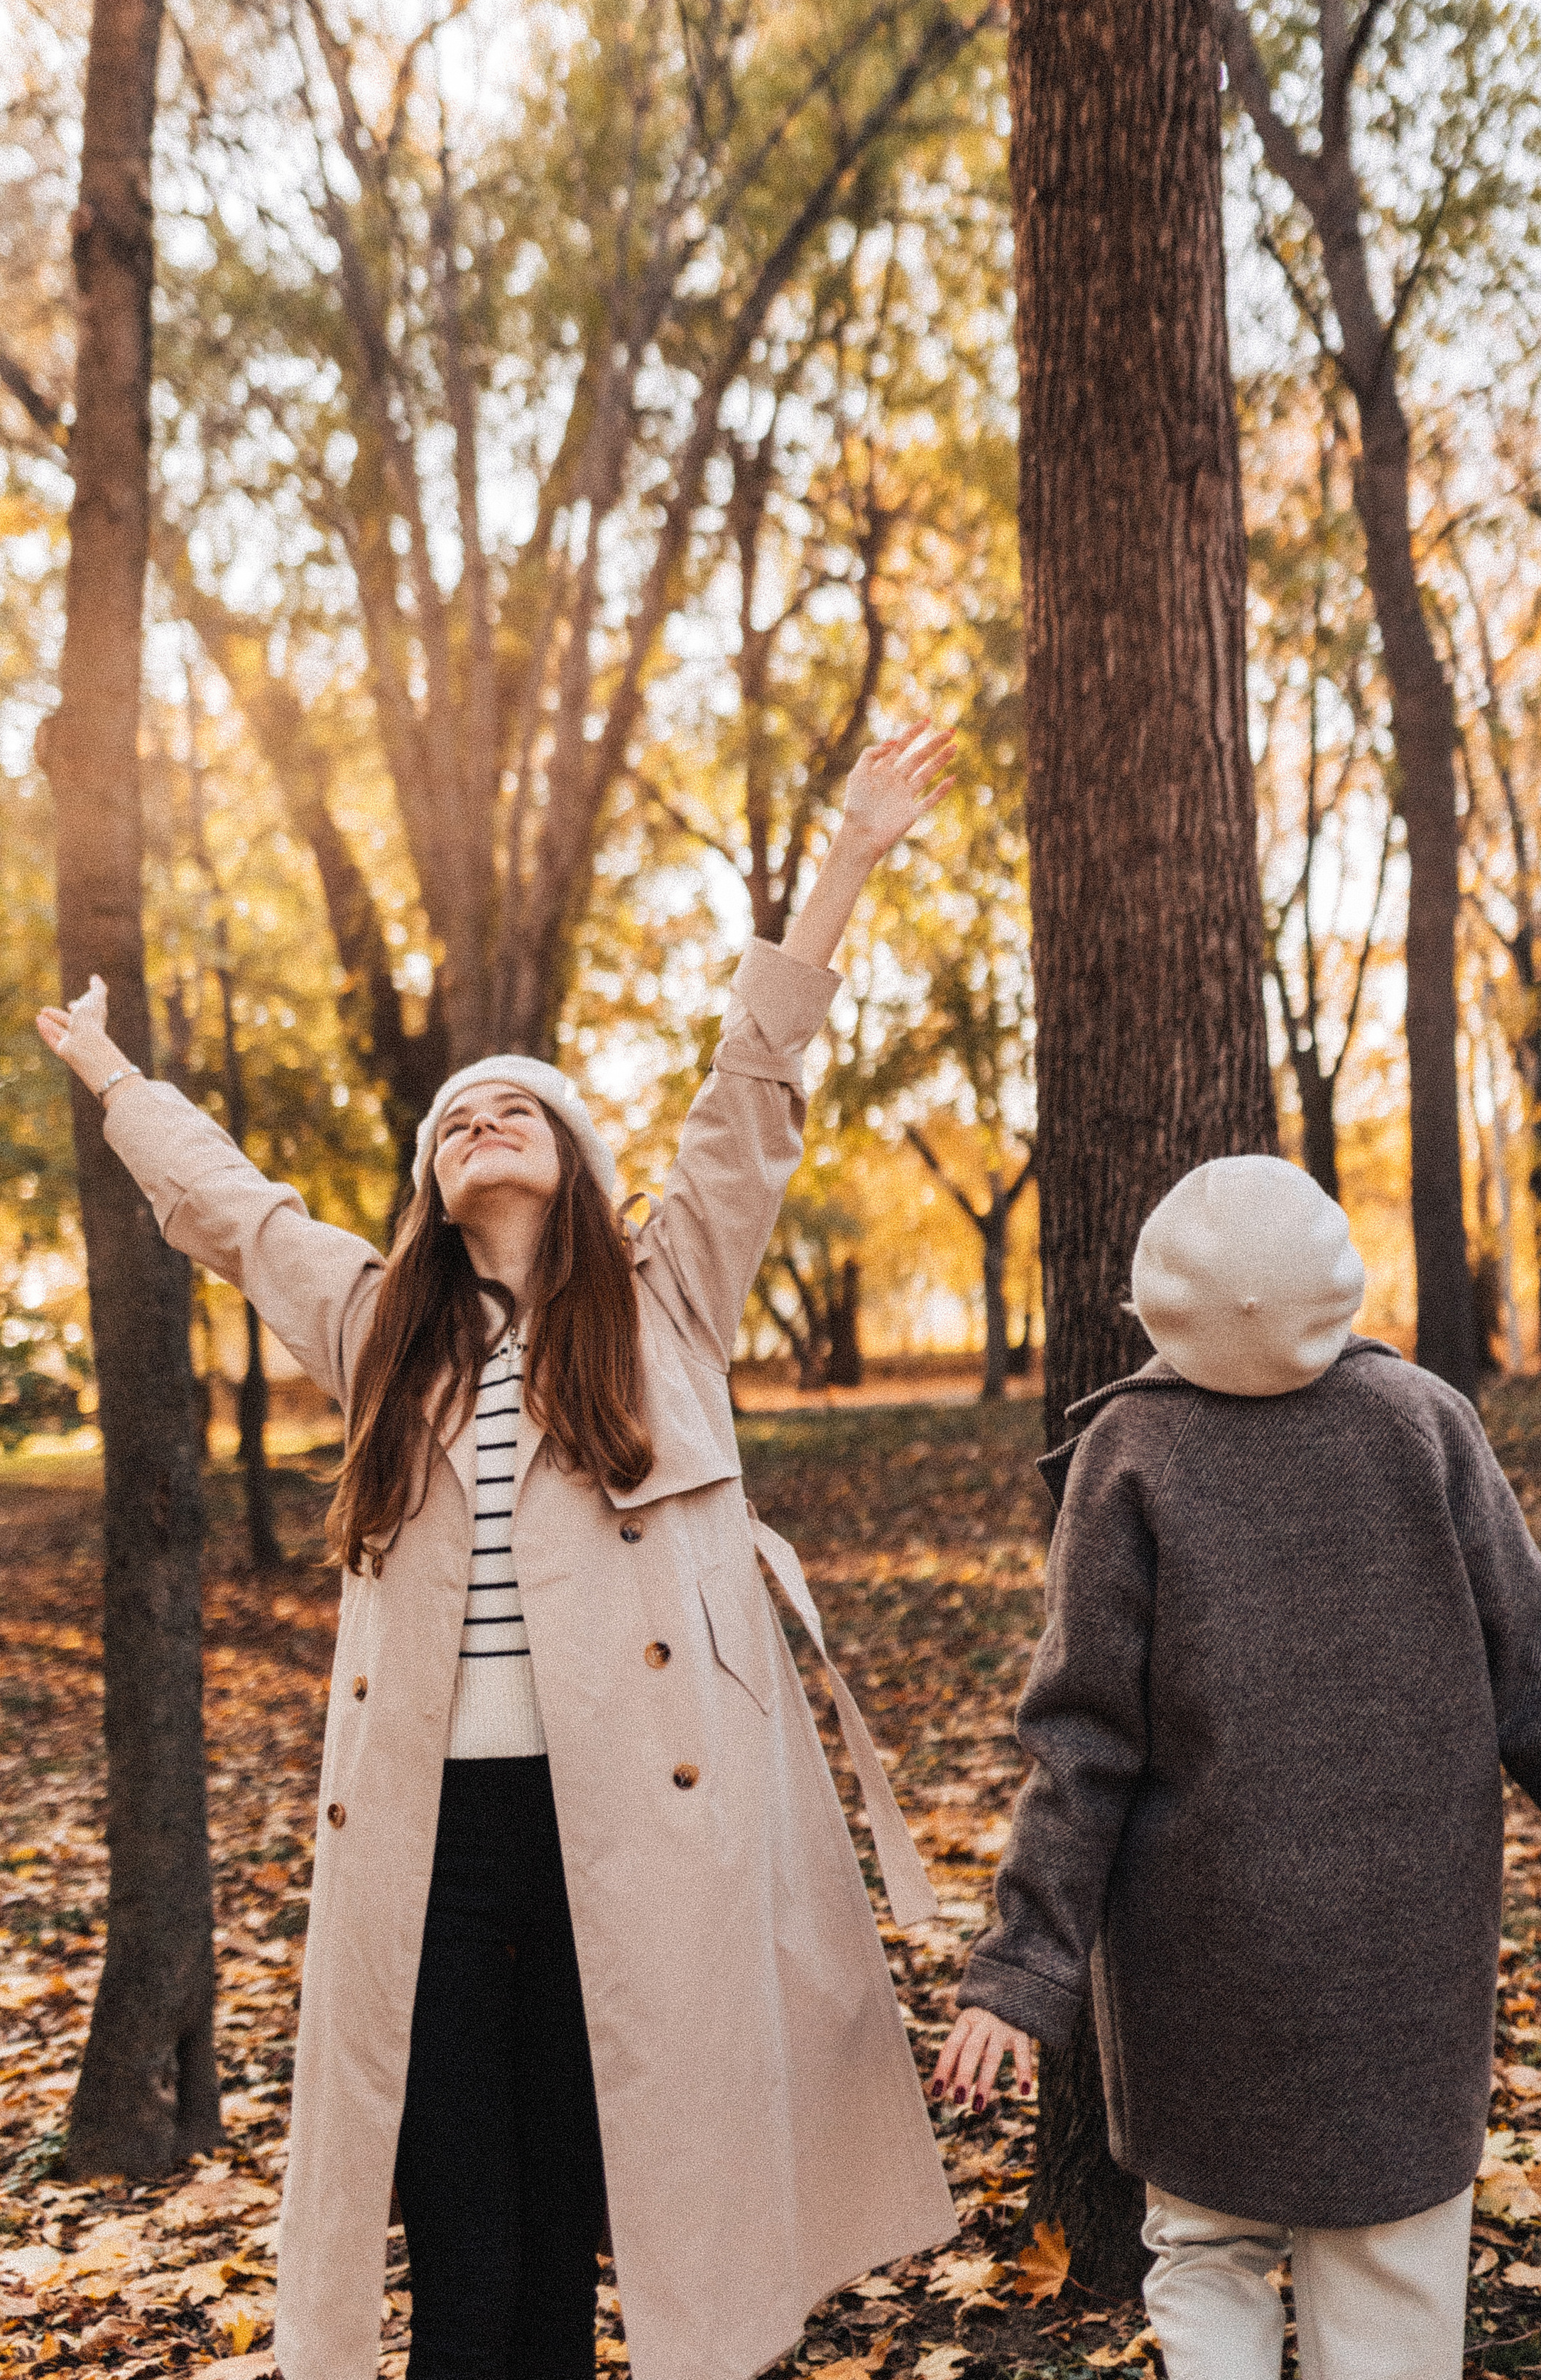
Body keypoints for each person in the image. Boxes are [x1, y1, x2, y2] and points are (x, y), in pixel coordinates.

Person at [39, 725, 959, 2380]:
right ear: (433, 1182)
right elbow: (235, 1210)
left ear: (575, 1157)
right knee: (465, 2238)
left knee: (607, 2220)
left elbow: (754, 1080)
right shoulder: (382, 1325)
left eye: (515, 1106)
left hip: (643, 1845)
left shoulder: (670, 1294)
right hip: (435, 1844)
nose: (480, 1119)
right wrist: (115, 1082)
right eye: (454, 1117)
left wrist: (847, 863)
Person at [933, 1154, 1541, 2380]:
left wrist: (1021, 1969)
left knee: (1207, 2253)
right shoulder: (1426, 1421)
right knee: (1388, 2266)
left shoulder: (1129, 1452)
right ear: (1341, 1282)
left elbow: (1081, 1746)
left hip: (1194, 1957)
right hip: (1402, 1963)